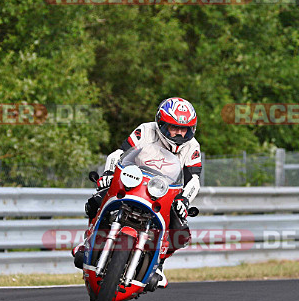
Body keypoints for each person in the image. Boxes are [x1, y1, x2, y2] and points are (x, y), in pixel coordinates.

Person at [73, 97, 202, 288]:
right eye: (174, 127)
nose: (179, 133)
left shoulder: (193, 147)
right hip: (134, 182)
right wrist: (108, 174)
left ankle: (158, 264)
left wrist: (184, 200)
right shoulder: (146, 130)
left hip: (165, 193)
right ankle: (89, 240)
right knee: (97, 200)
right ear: (161, 123)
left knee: (181, 233)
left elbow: (193, 179)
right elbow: (118, 154)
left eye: (185, 129)